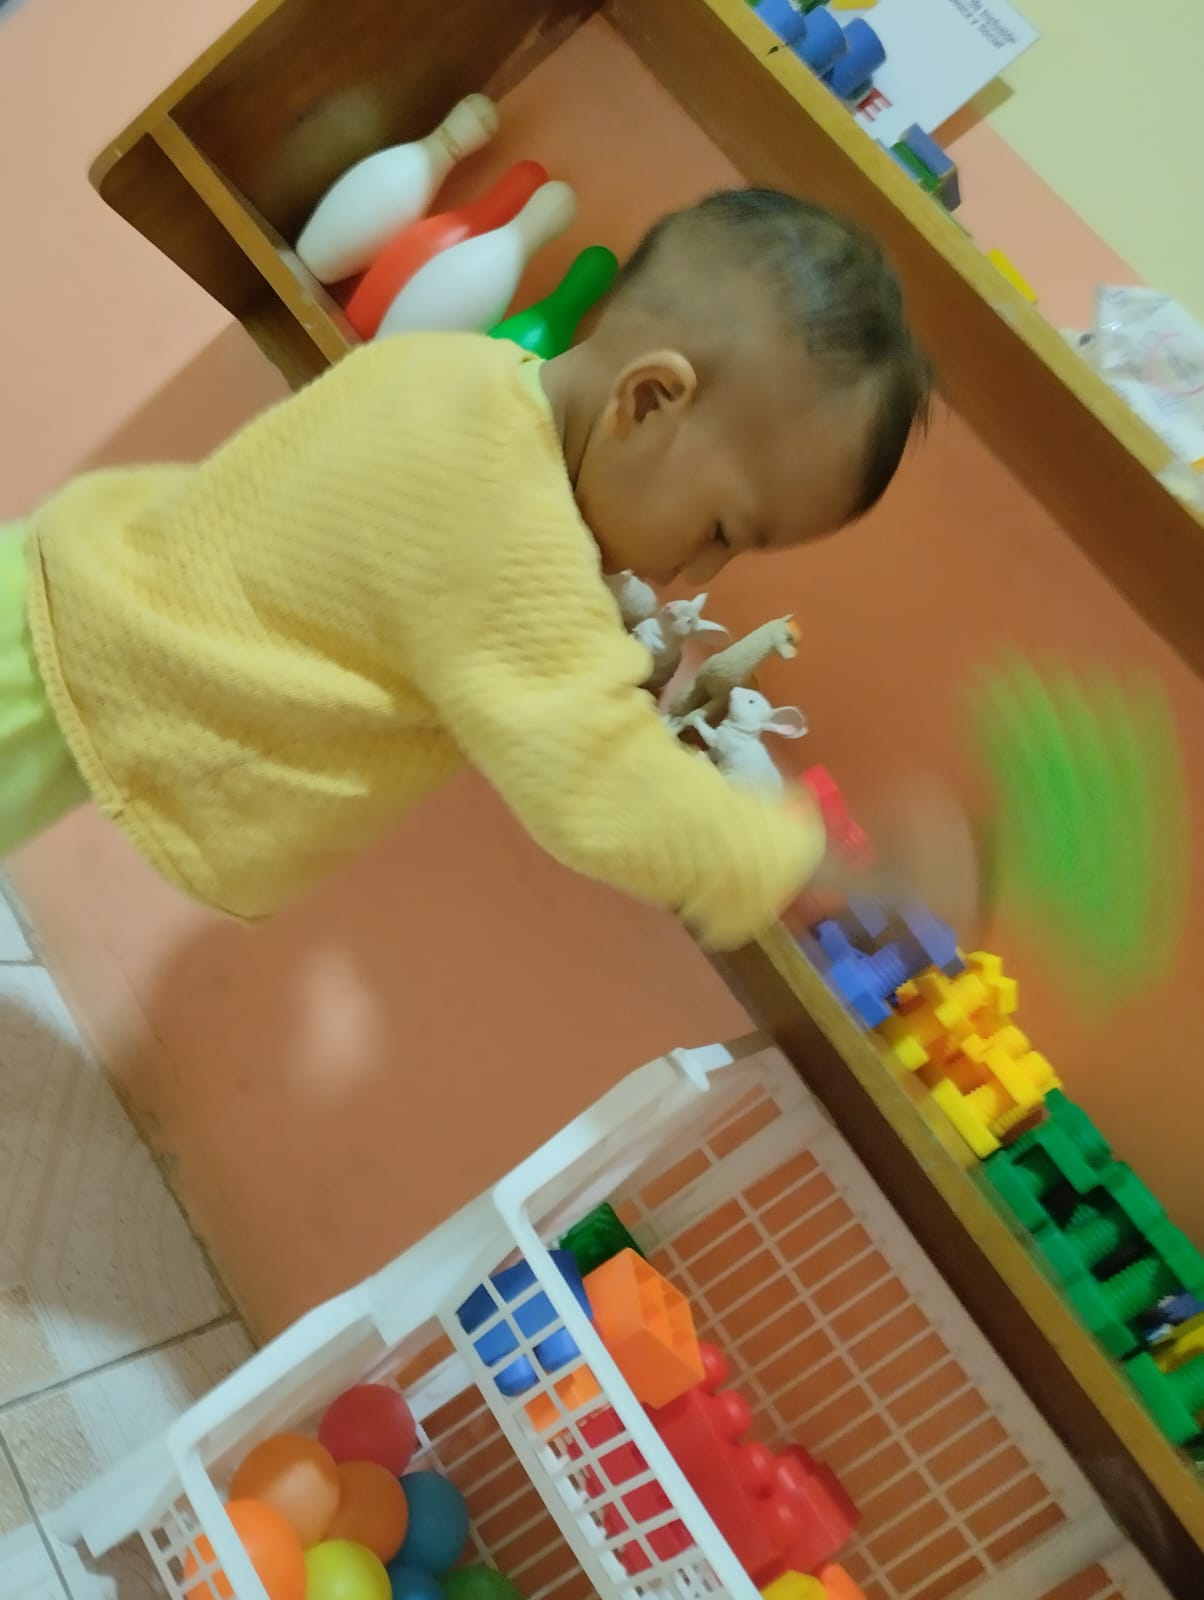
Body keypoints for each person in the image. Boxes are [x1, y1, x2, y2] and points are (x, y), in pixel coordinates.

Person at [1, 188, 947, 949]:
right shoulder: (507, 533)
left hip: (53, 591)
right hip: (52, 684)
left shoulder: (460, 374)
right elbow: (599, 781)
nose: (700, 574)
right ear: (650, 400)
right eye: (721, 529)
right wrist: (799, 861)